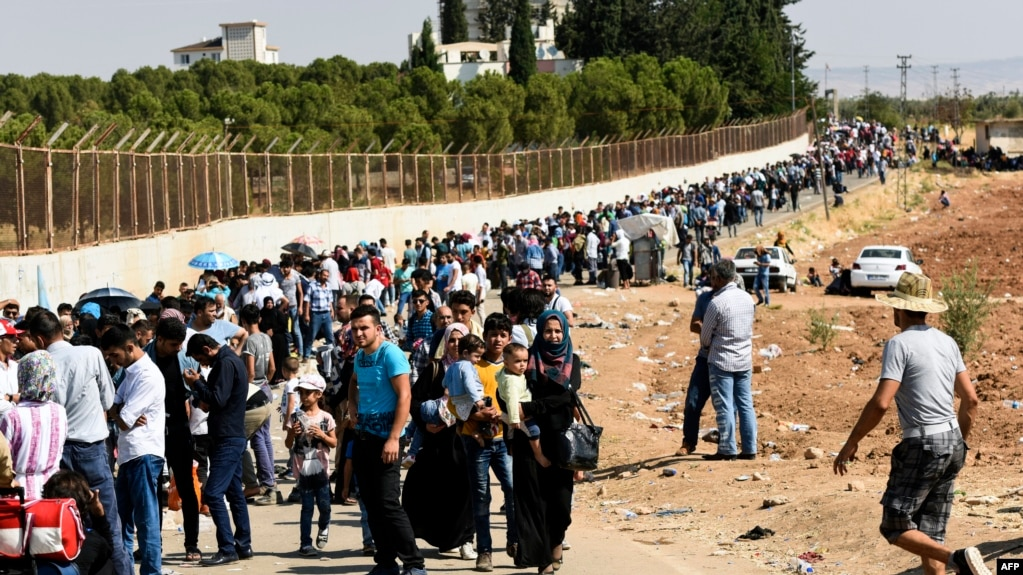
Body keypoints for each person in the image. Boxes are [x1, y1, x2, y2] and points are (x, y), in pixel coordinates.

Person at [834, 273, 989, 575]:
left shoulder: (899, 344)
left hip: (923, 443)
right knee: (929, 535)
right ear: (927, 307)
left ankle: (957, 558)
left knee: (894, 525)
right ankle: (953, 558)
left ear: (898, 308)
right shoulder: (947, 342)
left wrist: (852, 441)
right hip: (953, 440)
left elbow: (881, 402)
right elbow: (971, 400)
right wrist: (960, 443)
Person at [27, 311, 133, 575]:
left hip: (57, 455)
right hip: (92, 450)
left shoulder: (38, 363)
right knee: (108, 523)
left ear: (39, 339)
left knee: (67, 529)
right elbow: (109, 402)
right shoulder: (91, 354)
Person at [346, 305, 427, 575]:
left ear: (377, 329)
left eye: (364, 328)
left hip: (387, 438)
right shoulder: (360, 355)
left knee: (389, 502)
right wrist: (352, 406)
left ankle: (414, 564)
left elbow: (405, 396)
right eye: (354, 328)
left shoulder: (390, 354)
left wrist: (394, 438)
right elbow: (353, 382)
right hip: (363, 436)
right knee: (370, 502)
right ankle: (386, 562)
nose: (358, 333)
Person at [509, 310, 579, 574]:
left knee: (561, 504)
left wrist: (531, 407)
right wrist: (526, 411)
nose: (553, 336)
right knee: (533, 502)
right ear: (540, 330)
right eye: (548, 330)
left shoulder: (574, 361)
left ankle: (557, 542)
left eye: (558, 331)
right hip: (530, 439)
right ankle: (542, 560)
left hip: (562, 441)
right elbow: (511, 392)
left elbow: (565, 399)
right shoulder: (527, 360)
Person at [404, 323, 477, 561]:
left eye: (461, 340)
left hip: (464, 440)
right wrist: (425, 424)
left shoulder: (476, 369)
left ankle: (466, 539)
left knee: (465, 491)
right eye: (452, 340)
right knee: (427, 491)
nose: (456, 345)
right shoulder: (435, 369)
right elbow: (414, 401)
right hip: (435, 442)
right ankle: (442, 539)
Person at [100, 324, 166, 575]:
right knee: (122, 520)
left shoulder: (148, 375)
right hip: (129, 454)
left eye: (115, 355)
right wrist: (121, 412)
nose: (113, 361)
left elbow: (123, 418)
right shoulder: (131, 373)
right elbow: (113, 407)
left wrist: (121, 413)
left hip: (144, 453)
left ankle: (151, 571)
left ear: (129, 348)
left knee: (146, 520)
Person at [183, 334, 253, 566]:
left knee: (212, 494)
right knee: (234, 493)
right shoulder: (232, 360)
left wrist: (197, 384)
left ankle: (227, 548)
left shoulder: (224, 363)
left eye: (200, 358)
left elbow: (217, 399)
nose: (202, 363)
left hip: (227, 438)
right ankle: (243, 544)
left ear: (206, 349)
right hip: (230, 435)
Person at [143, 317, 202, 562]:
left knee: (186, 488)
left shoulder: (184, 357)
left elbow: (199, 390)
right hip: (152, 432)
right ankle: (152, 545)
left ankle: (192, 544)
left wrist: (194, 387)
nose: (178, 348)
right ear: (159, 339)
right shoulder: (143, 360)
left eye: (180, 344)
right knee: (153, 490)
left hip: (179, 428)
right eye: (173, 344)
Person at [467, 314, 518, 572]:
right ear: (485, 336)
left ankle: (514, 540)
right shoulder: (472, 366)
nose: (497, 339)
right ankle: (484, 551)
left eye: (502, 335)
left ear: (509, 338)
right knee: (481, 497)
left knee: (512, 490)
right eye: (493, 334)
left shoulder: (513, 366)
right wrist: (477, 416)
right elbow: (455, 402)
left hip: (504, 442)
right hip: (477, 441)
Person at [701, 260, 757, 461]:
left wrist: (709, 347)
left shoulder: (717, 302)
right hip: (743, 359)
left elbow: (705, 337)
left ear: (718, 278)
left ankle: (727, 449)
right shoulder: (748, 299)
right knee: (745, 404)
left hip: (721, 360)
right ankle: (750, 449)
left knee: (724, 406)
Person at [0, 351, 68, 500]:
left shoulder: (12, 416)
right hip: (52, 488)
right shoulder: (59, 411)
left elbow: (4, 461)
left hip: (17, 490)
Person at [285, 374, 337, 558]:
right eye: (302, 393)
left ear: (318, 395)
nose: (304, 397)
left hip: (321, 471)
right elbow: (287, 443)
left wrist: (321, 435)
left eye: (308, 393)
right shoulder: (295, 417)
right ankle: (305, 544)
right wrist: (293, 432)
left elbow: (333, 442)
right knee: (306, 508)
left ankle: (323, 528)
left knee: (325, 507)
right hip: (303, 471)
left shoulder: (326, 417)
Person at [239, 304, 277, 505]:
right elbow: (272, 367)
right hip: (266, 389)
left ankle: (267, 483)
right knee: (266, 438)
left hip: (253, 391)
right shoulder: (265, 338)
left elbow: (250, 372)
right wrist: (266, 385)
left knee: (258, 440)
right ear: (259, 319)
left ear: (243, 321)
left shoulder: (250, 342)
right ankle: (270, 480)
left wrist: (247, 389)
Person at [44, 470, 114, 575]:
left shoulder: (32, 536)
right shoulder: (91, 541)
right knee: (107, 564)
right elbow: (108, 550)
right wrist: (99, 516)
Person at [497, 342, 548, 467]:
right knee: (534, 431)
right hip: (518, 415)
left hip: (506, 414)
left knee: (509, 433)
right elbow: (512, 400)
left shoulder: (506, 373)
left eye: (525, 361)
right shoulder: (512, 381)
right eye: (517, 361)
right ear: (506, 363)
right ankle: (539, 455)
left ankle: (510, 447)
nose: (522, 365)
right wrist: (515, 419)